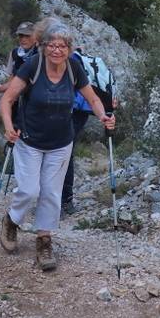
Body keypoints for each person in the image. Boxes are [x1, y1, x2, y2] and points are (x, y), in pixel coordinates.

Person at [0, 23, 115, 270]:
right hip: (29, 140)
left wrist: (103, 115)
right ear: (43, 46)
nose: (56, 50)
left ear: (69, 49)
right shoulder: (33, 66)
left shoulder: (74, 68)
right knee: (29, 190)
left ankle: (44, 240)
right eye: (52, 45)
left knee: (51, 193)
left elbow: (92, 98)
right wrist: (8, 126)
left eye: (62, 46)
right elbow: (8, 99)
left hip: (61, 142)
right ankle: (11, 221)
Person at [62, 48, 118, 213]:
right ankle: (63, 200)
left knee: (64, 151)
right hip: (80, 111)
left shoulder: (69, 62)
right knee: (65, 151)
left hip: (73, 109)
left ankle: (65, 199)